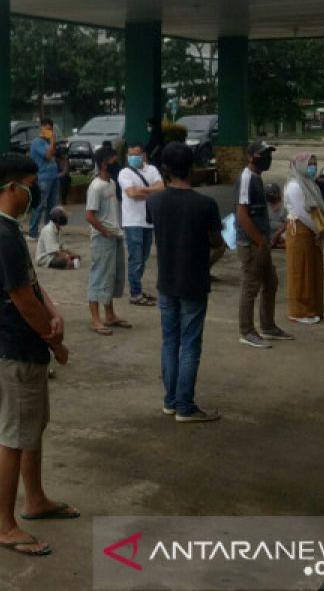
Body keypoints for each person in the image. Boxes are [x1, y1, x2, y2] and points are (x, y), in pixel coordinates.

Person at [0, 153, 73, 558]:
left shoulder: (9, 229)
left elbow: (31, 285)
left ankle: (35, 500)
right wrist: (53, 340)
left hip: (24, 350)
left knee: (30, 430)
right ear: (12, 188)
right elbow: (20, 300)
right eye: (31, 184)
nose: (36, 191)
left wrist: (53, 311)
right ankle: (4, 525)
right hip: (11, 352)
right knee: (12, 439)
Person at [147, 142, 224, 423]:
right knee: (190, 343)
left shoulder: (154, 201)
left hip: (166, 280)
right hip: (194, 281)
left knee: (170, 341)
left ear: (164, 169)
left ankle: (171, 401)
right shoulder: (205, 204)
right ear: (191, 167)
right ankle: (185, 406)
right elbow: (218, 243)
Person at [235, 141, 294, 348]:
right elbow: (242, 214)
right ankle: (247, 331)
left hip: (261, 242)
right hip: (251, 244)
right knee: (250, 287)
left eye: (269, 154)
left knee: (270, 282)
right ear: (250, 156)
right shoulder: (246, 178)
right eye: (263, 154)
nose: (267, 158)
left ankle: (268, 326)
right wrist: (259, 240)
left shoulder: (257, 178)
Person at [284, 153, 324, 325]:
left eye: (314, 164)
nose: (313, 168)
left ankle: (314, 308)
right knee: (300, 272)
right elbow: (303, 213)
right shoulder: (294, 186)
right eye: (309, 164)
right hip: (300, 230)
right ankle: (299, 312)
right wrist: (319, 229)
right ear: (299, 166)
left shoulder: (309, 184)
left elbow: (319, 208)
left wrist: (322, 229)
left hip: (311, 231)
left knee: (313, 270)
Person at [86, 148, 129, 334]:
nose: (116, 163)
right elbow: (89, 215)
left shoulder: (111, 183)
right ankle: (96, 320)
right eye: (113, 159)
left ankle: (110, 315)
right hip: (103, 238)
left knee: (111, 276)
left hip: (114, 235)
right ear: (104, 163)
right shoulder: (96, 187)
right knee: (99, 276)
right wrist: (105, 231)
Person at [119, 144, 164, 306]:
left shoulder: (151, 170)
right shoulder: (124, 173)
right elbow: (132, 194)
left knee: (143, 258)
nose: (132, 158)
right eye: (129, 155)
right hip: (132, 222)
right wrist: (150, 191)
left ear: (143, 155)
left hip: (148, 221)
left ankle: (137, 288)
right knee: (135, 258)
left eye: (135, 154)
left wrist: (142, 189)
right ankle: (135, 293)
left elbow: (161, 188)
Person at [27, 119, 60, 239]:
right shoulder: (37, 142)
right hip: (43, 177)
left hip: (53, 176)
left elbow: (55, 153)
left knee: (52, 205)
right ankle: (32, 232)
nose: (48, 131)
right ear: (41, 128)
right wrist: (52, 141)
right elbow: (48, 155)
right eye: (46, 128)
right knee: (39, 205)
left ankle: (48, 231)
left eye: (50, 129)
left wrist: (53, 142)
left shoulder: (48, 142)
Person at [266, 183, 287, 249]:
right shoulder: (266, 205)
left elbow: (288, 223)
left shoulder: (285, 205)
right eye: (267, 193)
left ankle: (276, 245)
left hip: (282, 233)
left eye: (271, 193)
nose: (268, 195)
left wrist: (277, 234)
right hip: (269, 233)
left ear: (277, 193)